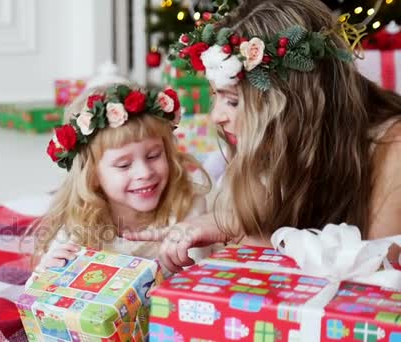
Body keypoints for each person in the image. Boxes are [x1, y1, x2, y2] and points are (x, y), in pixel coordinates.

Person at [125, 0, 401, 272]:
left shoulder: (393, 147)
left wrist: (237, 227)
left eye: (233, 101)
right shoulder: (278, 141)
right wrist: (227, 224)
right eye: (215, 96)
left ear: (292, 102)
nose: (216, 116)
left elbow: (377, 280)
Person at [23, 84, 213, 284]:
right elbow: (35, 296)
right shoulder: (81, 223)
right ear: (92, 175)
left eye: (153, 155)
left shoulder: (186, 206)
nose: (145, 172)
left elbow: (200, 283)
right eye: (124, 165)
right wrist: (46, 274)